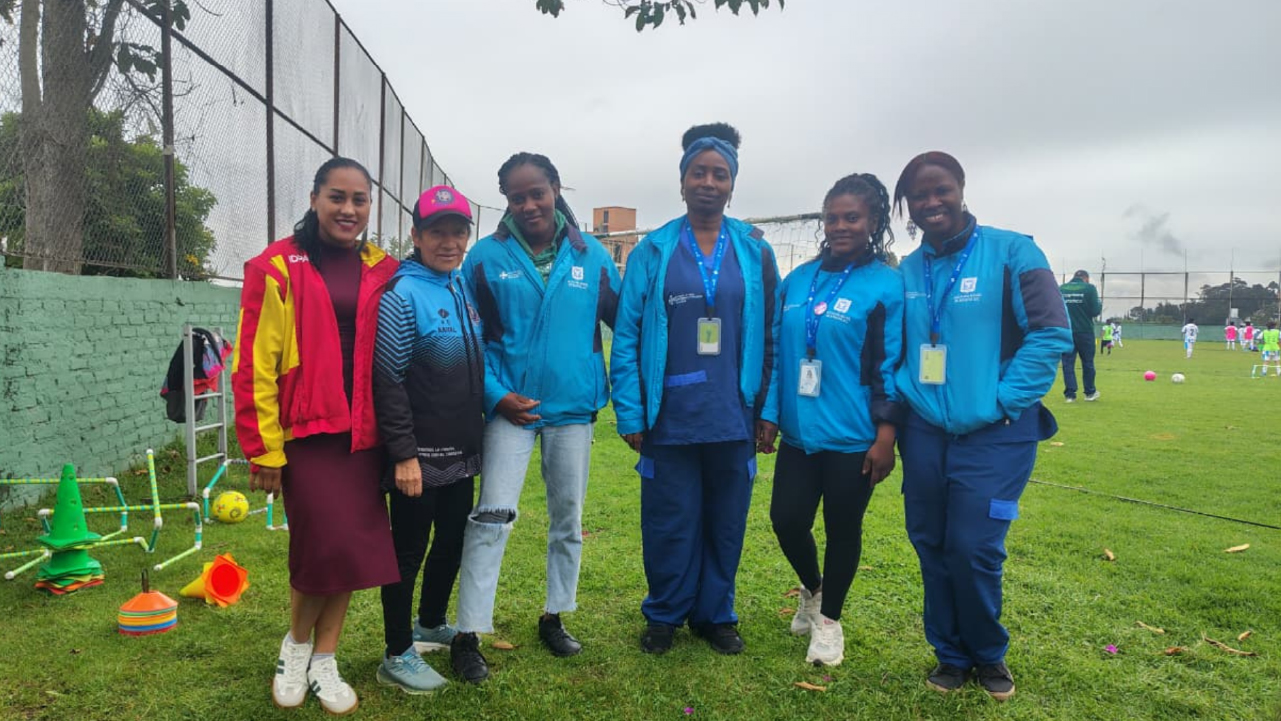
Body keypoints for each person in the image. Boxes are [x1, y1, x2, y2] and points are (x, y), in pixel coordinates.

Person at [892, 152, 1071, 701]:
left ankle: (988, 655)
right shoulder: (907, 270)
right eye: (918, 196)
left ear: (961, 189)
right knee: (931, 542)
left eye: (940, 190)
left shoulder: (1013, 251)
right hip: (924, 431)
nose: (930, 203)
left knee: (973, 547)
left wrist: (1001, 400)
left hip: (996, 433)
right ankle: (949, 656)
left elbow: (1050, 334)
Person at [233, 157, 400, 715]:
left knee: (349, 548)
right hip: (307, 435)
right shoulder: (276, 266)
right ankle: (295, 647)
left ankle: (325, 657)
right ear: (314, 198)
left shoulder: (385, 267)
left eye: (359, 199)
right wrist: (264, 448)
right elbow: (254, 365)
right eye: (337, 197)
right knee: (318, 546)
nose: (348, 209)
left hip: (365, 434)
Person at [611, 122, 780, 656]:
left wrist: (768, 408)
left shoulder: (755, 250)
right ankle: (665, 614)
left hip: (734, 414)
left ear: (733, 184)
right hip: (669, 416)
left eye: (720, 174)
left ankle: (716, 614)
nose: (709, 182)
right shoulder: (653, 251)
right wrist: (632, 413)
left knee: (725, 521)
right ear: (682, 181)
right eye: (698, 172)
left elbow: (771, 333)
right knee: (669, 519)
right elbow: (628, 335)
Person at [452, 153, 621, 683]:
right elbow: (466, 340)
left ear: (555, 190)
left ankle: (555, 615)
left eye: (537, 193)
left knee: (567, 519)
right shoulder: (483, 257)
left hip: (572, 411)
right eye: (516, 196)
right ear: (506, 199)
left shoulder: (590, 256)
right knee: (492, 517)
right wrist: (496, 395)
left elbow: (627, 323)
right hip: (511, 411)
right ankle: (468, 633)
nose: (528, 204)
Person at [758, 173, 903, 667]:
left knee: (843, 529)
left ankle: (829, 623)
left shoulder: (886, 285)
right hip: (800, 435)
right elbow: (779, 354)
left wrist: (886, 435)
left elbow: (888, 365)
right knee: (786, 521)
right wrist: (771, 415)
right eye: (832, 217)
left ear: (873, 221)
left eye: (852, 217)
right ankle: (815, 590)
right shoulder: (799, 280)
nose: (839, 226)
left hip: (854, 437)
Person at [373, 186, 484, 694]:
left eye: (458, 231)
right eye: (436, 231)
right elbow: (388, 380)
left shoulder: (458, 287)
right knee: (407, 553)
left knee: (453, 542)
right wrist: (404, 456)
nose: (448, 241)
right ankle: (397, 652)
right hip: (418, 458)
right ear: (415, 236)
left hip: (462, 452)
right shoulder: (402, 294)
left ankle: (430, 622)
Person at [1058, 269, 1101, 402]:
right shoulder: (1089, 289)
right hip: (1085, 331)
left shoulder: (1061, 289)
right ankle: (1089, 392)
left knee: (1068, 363)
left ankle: (1070, 395)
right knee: (1088, 362)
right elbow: (1095, 311)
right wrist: (1099, 305)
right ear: (1086, 278)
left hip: (1066, 331)